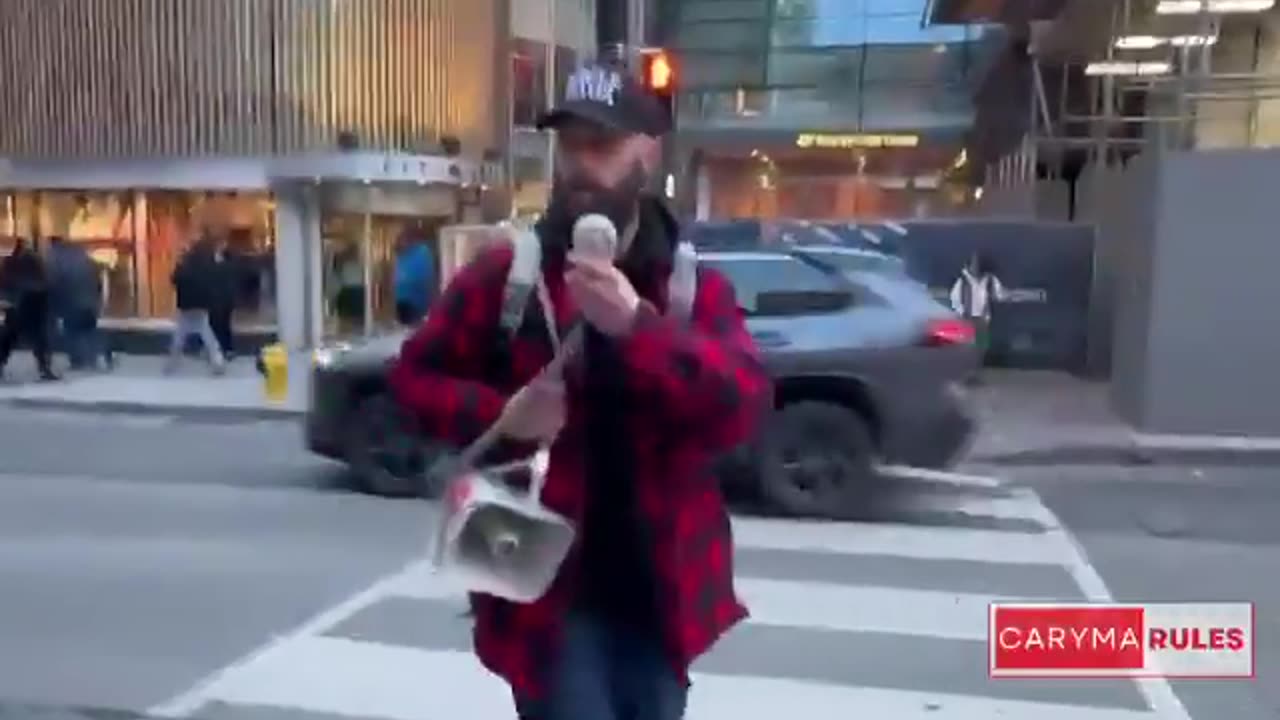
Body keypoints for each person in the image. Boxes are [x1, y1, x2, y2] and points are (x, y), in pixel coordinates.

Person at [388, 61, 771, 720]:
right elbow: (410, 381)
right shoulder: (509, 274)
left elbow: (743, 406)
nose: (580, 166)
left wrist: (637, 330)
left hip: (661, 592)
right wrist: (502, 415)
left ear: (646, 153)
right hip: (546, 592)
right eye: (569, 147)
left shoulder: (687, 288)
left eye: (602, 147)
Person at [48, 236, 112, 371]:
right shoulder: (87, 261)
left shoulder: (60, 263)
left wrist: (55, 305)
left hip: (72, 304)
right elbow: (99, 282)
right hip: (89, 303)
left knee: (72, 333)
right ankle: (98, 356)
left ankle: (78, 361)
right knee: (89, 331)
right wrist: (98, 301)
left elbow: (56, 284)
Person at [0, 239, 58, 381]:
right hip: (31, 303)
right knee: (38, 338)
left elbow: (7, 283)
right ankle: (44, 368)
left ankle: (43, 368)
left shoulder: (11, 262)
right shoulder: (34, 261)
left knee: (10, 337)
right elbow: (43, 282)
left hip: (20, 304)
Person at [166, 236, 226, 375]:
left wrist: (179, 263)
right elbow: (213, 279)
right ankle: (217, 361)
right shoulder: (206, 264)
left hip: (186, 305)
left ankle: (171, 363)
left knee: (180, 335)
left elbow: (174, 280)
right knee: (207, 334)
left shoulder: (184, 265)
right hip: (201, 305)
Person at [393, 229, 435, 326]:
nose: (402, 243)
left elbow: (426, 274)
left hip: (415, 297)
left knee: (414, 324)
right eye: (401, 240)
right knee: (407, 324)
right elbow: (398, 273)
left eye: (404, 240)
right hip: (404, 297)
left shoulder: (422, 252)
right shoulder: (402, 254)